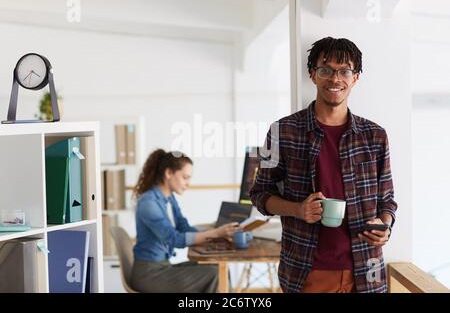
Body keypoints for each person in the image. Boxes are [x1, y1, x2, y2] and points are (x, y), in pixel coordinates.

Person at [249, 37, 397, 293]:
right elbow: (260, 194)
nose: (335, 79)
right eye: (326, 70)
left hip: (367, 271)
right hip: (306, 272)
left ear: (355, 78)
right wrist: (298, 210)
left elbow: (387, 202)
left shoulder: (375, 136)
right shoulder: (281, 131)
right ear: (313, 75)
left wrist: (384, 226)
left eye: (345, 71)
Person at [130, 149, 240, 293]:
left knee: (219, 269)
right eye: (185, 177)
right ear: (169, 173)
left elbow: (184, 227)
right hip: (149, 274)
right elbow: (174, 239)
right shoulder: (148, 203)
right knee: (216, 275)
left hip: (163, 267)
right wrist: (215, 233)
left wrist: (215, 235)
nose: (188, 183)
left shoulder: (169, 198)